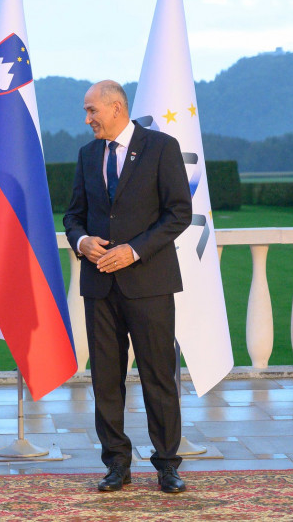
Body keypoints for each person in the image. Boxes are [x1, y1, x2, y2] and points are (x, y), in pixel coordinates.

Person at [63, 80, 192, 494]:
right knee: (105, 379)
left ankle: (167, 465)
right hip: (99, 287)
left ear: (116, 107)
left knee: (158, 376)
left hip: (150, 284)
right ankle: (116, 464)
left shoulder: (161, 147)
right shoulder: (87, 155)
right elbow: (73, 216)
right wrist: (81, 241)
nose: (87, 120)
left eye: (91, 111)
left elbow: (178, 214)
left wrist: (134, 251)